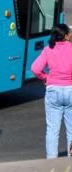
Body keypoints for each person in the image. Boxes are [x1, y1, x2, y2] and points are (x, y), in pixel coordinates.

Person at [31, 23, 72, 159]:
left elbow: (35, 69)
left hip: (53, 91)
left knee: (52, 130)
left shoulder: (48, 50)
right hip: (70, 90)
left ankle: (51, 162)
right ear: (66, 35)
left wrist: (46, 78)